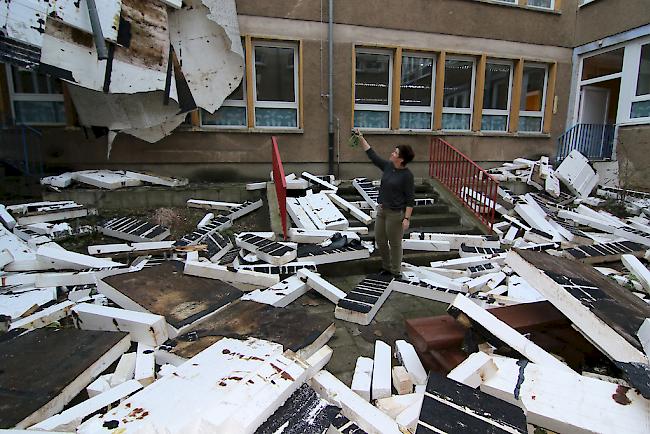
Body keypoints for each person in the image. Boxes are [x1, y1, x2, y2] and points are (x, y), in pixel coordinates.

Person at [354, 130, 415, 279]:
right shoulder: (388, 166)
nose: (392, 154)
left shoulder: (407, 176)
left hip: (396, 214)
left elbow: (410, 199)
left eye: (395, 153)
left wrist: (406, 219)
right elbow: (372, 156)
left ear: (401, 159)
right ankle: (386, 267)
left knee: (394, 244)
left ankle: (395, 271)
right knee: (380, 240)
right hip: (382, 210)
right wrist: (361, 138)